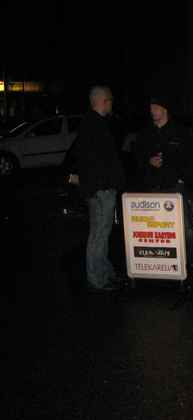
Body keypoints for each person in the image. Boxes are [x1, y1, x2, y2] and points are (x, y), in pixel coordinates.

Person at [135, 94, 193, 274]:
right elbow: (136, 157)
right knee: (155, 228)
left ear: (164, 109)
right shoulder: (145, 133)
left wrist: (182, 179)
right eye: (150, 108)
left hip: (174, 187)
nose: (152, 111)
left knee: (185, 226)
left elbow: (192, 160)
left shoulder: (181, 132)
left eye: (155, 108)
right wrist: (148, 161)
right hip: (152, 187)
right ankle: (161, 263)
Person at [69, 86, 126, 292]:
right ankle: (97, 279)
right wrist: (103, 186)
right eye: (110, 100)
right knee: (99, 235)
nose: (112, 104)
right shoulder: (94, 125)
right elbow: (96, 162)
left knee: (101, 233)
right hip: (100, 190)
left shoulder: (92, 123)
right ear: (104, 101)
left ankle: (105, 272)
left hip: (99, 189)